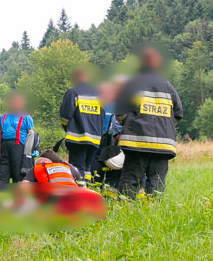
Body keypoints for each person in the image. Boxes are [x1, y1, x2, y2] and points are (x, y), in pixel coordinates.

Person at [115, 48, 183, 198]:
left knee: (130, 181)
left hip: (137, 143)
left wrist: (129, 124)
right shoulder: (168, 86)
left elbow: (119, 113)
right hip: (164, 145)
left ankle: (126, 212)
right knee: (157, 183)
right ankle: (154, 213)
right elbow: (178, 114)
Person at [59, 68, 105, 183]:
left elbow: (65, 116)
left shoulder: (73, 92)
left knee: (77, 167)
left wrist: (67, 128)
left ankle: (79, 193)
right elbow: (102, 116)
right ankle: (89, 189)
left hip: (77, 138)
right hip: (95, 139)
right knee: (87, 168)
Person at [0, 92, 38, 187]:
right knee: (1, 174)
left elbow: (31, 135)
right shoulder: (3, 117)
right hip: (4, 148)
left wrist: (35, 148)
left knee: (19, 175)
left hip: (19, 149)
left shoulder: (26, 117)